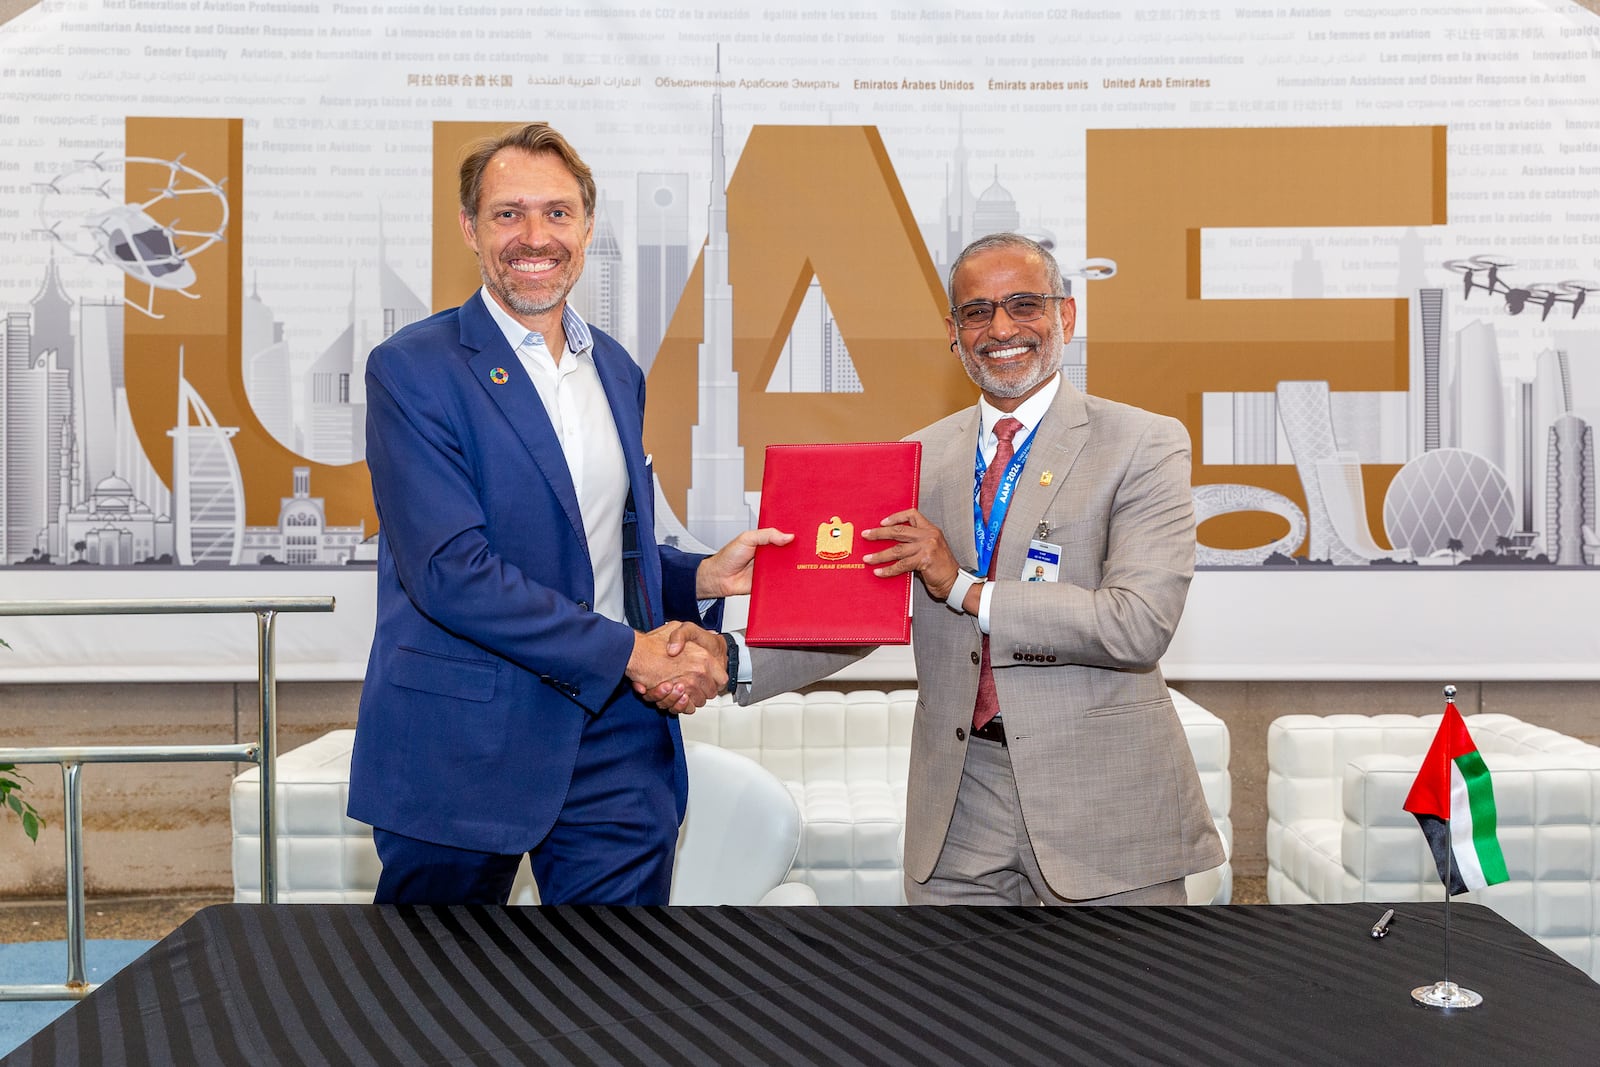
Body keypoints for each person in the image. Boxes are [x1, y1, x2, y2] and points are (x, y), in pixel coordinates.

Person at [651, 232, 1222, 905]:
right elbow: (857, 611)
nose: (1002, 328)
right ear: (954, 336)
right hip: (959, 802)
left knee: (1119, 1013)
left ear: (1065, 316)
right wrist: (728, 659)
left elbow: (1137, 624)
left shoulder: (1143, 443)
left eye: (1024, 304)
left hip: (1102, 804)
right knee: (950, 1012)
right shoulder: (919, 458)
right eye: (977, 312)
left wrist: (965, 589)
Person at [349, 122, 788, 907]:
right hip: (467, 742)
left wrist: (697, 576)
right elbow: (452, 573)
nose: (534, 237)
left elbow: (602, 547)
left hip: (617, 740)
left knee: (612, 1005)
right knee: (433, 1010)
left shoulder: (615, 367)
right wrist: (630, 651)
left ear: (587, 228)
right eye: (508, 214)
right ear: (469, 229)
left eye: (556, 214)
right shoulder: (413, 369)